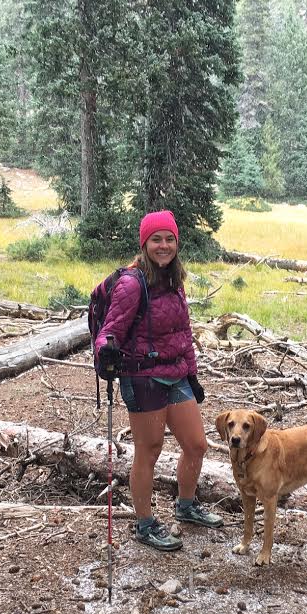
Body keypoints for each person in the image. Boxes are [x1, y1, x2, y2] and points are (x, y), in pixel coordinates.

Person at [95, 210, 223, 551]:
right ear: (145, 243)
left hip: (176, 373)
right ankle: (144, 524)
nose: (163, 246)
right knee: (148, 451)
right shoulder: (131, 282)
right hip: (143, 376)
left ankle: (185, 506)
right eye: (156, 239)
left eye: (169, 239)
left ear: (176, 243)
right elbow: (110, 330)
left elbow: (184, 332)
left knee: (196, 445)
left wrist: (192, 375)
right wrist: (105, 351)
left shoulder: (174, 279)